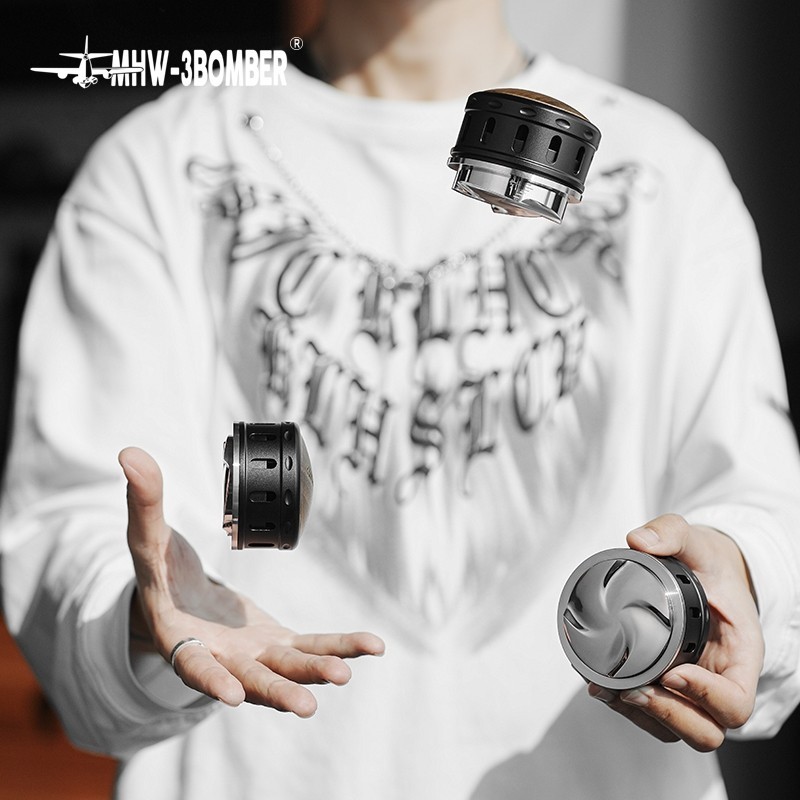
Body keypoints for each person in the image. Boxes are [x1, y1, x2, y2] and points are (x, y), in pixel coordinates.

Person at [2, 0, 800, 797]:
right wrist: (137, 616)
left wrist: (737, 578)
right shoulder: (159, 166)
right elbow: (70, 534)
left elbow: (762, 517)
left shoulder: (666, 176)